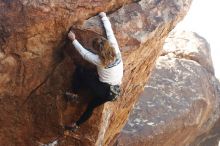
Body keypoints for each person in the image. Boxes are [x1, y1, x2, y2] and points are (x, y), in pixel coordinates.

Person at [65, 12, 123, 132]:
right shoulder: (116, 50)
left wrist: (74, 40)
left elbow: (84, 54)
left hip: (103, 89)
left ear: (98, 51)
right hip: (114, 91)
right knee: (90, 106)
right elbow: (110, 33)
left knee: (81, 70)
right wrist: (104, 17)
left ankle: (74, 94)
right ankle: (76, 125)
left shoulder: (99, 61)